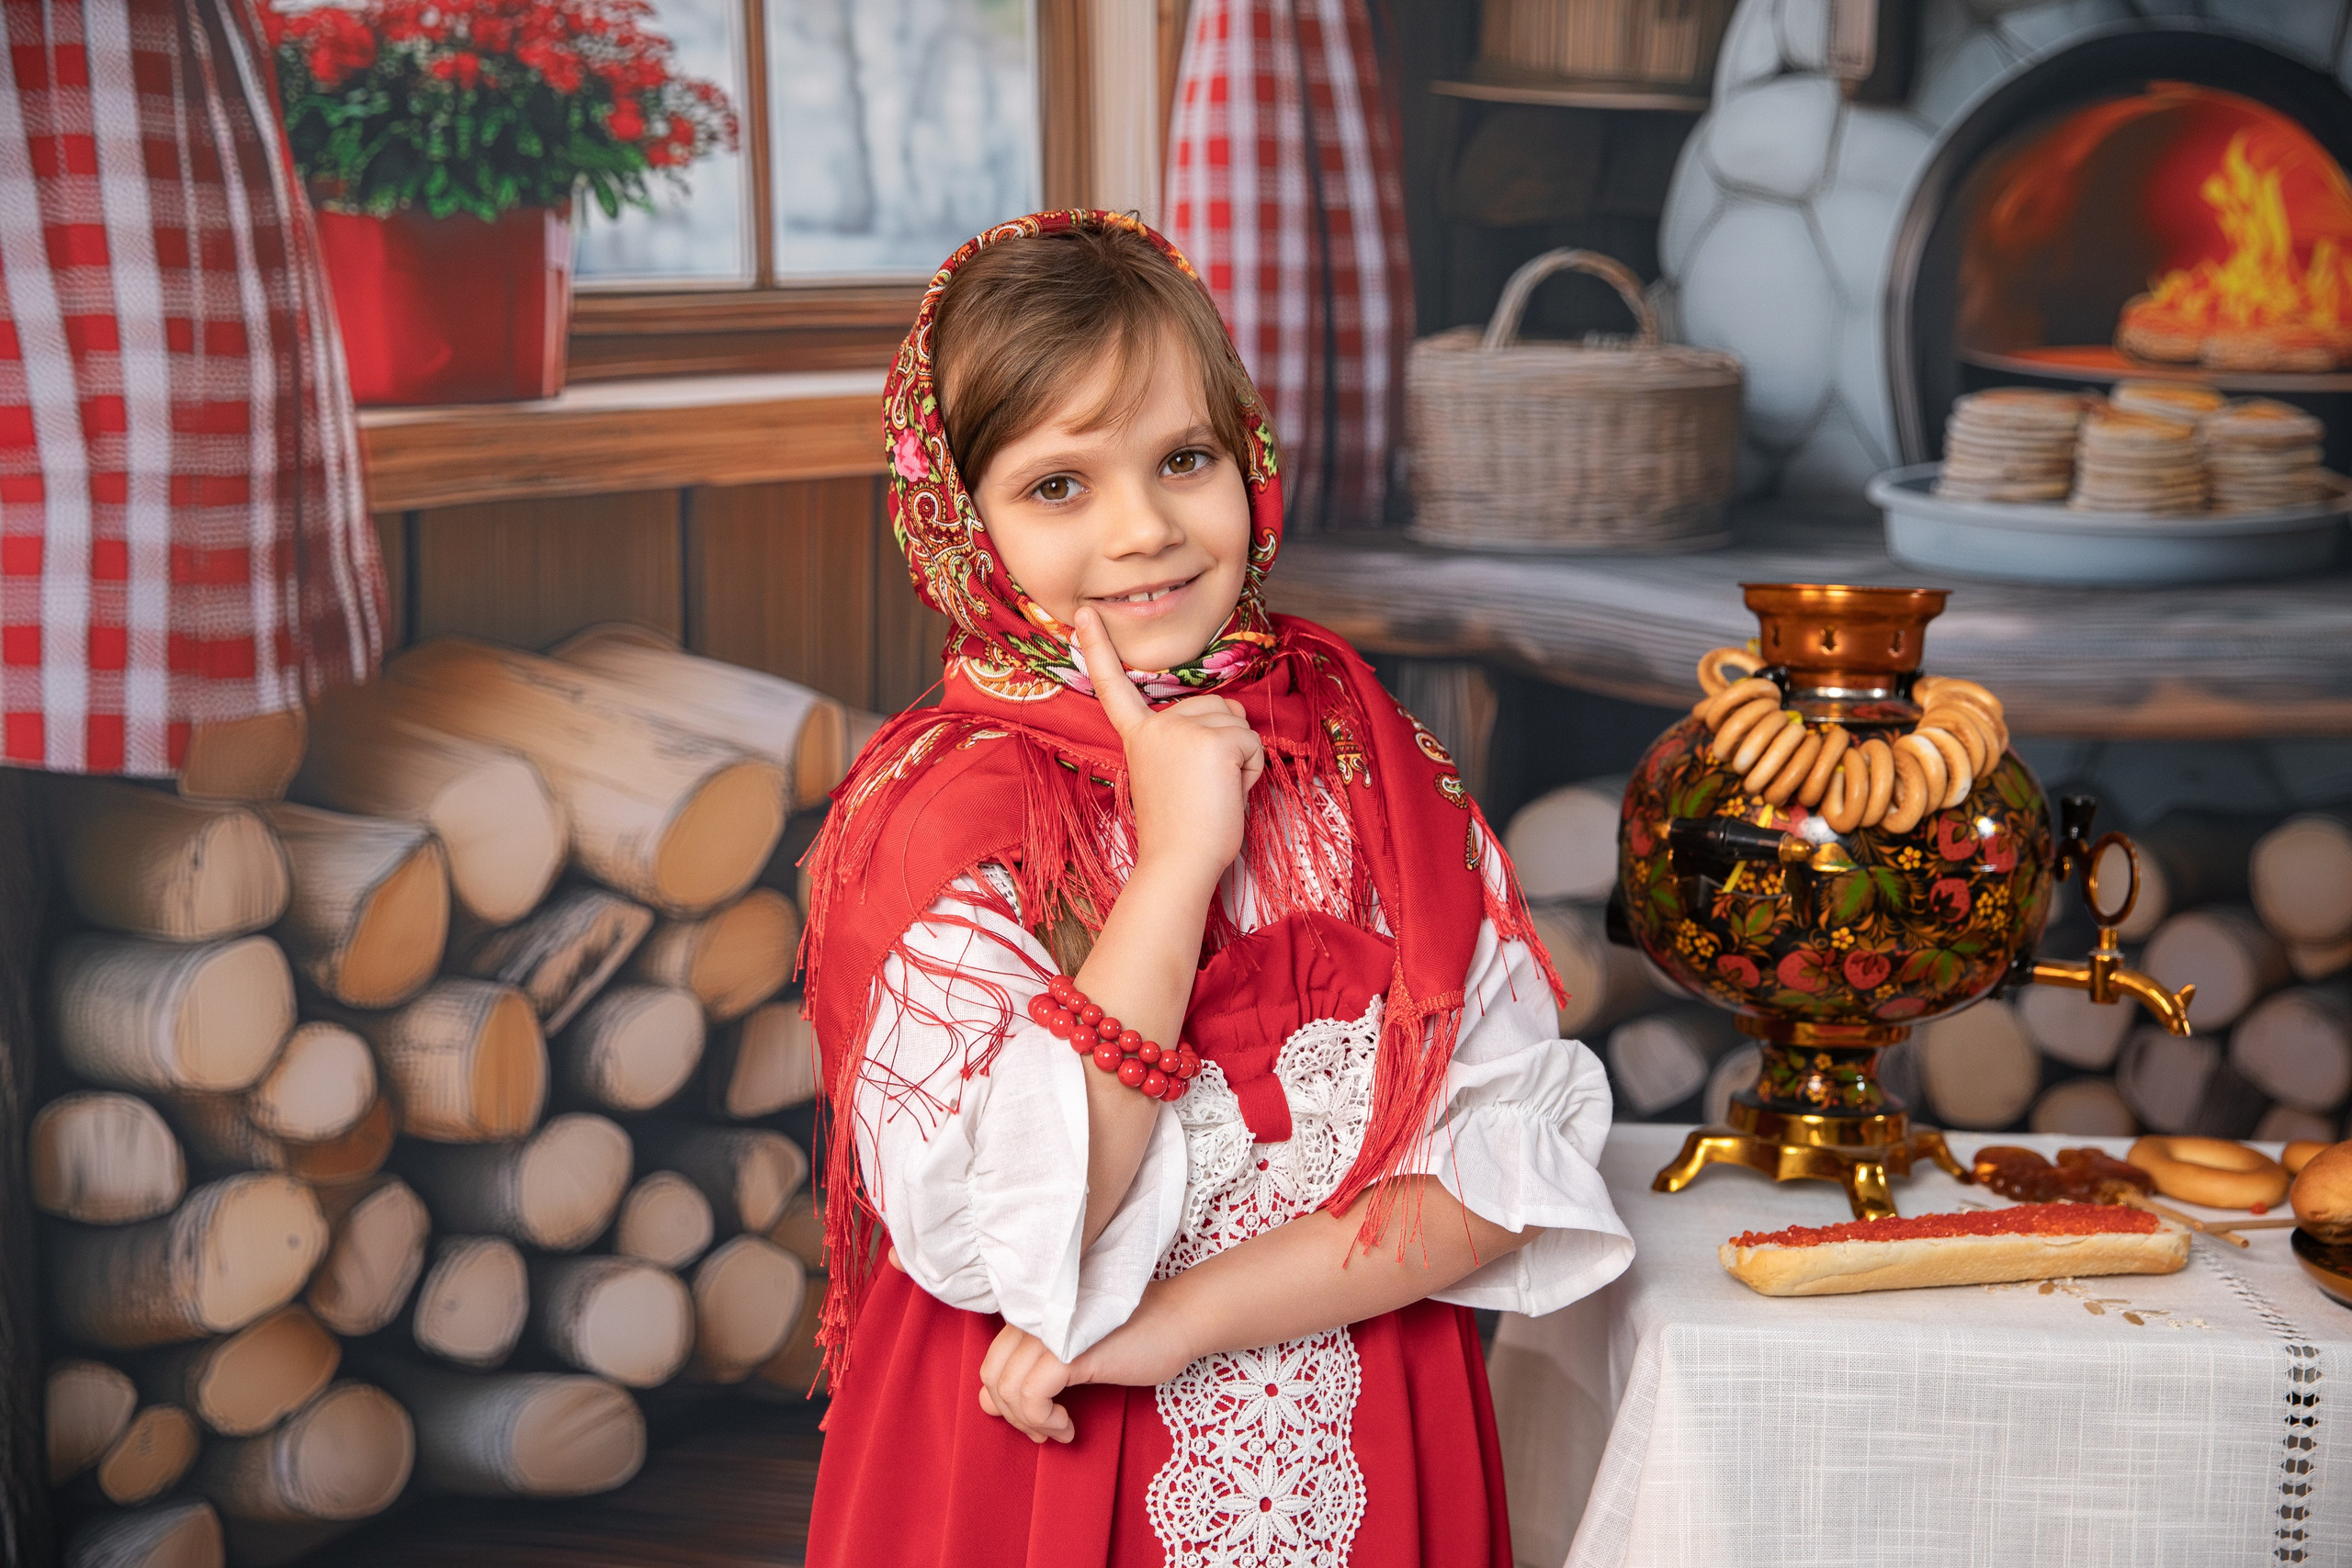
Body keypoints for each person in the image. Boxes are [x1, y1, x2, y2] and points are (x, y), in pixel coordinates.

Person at [801, 209, 1631, 1568]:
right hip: (1037, 1465)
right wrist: (1182, 858)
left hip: (1362, 1425)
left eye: (1184, 458)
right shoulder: (942, 825)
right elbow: (1026, 1242)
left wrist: (1171, 1328)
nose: (1144, 530)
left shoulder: (1371, 770)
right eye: (1058, 485)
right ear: (959, 521)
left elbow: (1504, 1164)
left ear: (1249, 458)